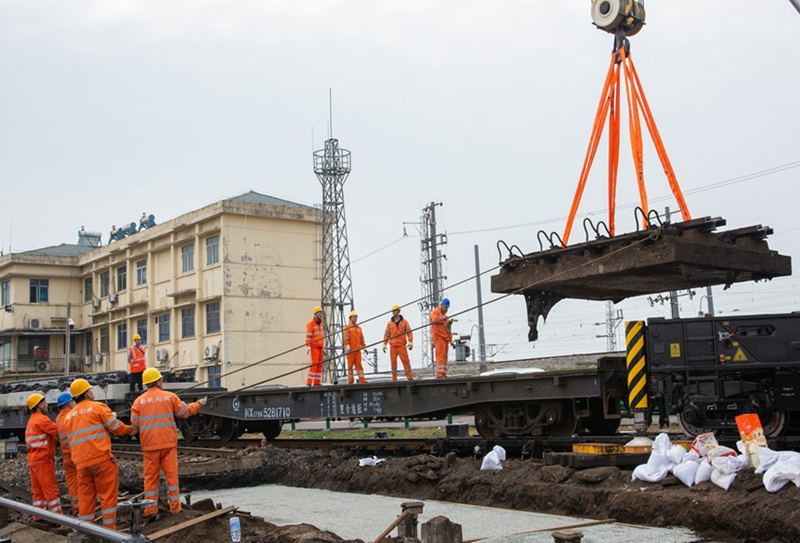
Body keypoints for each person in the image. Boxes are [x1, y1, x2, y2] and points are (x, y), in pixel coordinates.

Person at [131, 368, 207, 517]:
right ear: (158, 381)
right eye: (161, 379)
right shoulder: (169, 397)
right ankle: (175, 508)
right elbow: (184, 412)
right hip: (168, 445)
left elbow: (135, 424)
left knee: (150, 480)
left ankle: (150, 510)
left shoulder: (138, 402)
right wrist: (198, 404)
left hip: (150, 446)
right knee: (171, 477)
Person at [65, 378, 137, 530]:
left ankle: (85, 530)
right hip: (101, 460)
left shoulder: (69, 417)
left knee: (85, 498)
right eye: (90, 390)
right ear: (85, 394)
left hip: (81, 464)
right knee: (108, 496)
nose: (92, 392)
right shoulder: (98, 407)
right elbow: (116, 428)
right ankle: (109, 530)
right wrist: (131, 429)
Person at [25, 393, 62, 518]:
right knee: (50, 489)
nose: (46, 405)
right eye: (44, 403)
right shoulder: (42, 419)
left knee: (38, 491)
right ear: (39, 405)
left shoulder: (31, 421)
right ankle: (58, 517)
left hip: (33, 460)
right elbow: (58, 431)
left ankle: (38, 516)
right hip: (43, 460)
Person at [55, 391, 79, 516]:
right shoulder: (72, 416)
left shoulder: (58, 419)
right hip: (76, 454)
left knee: (73, 484)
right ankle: (86, 509)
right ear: (68, 403)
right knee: (84, 482)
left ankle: (77, 509)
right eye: (73, 401)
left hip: (66, 457)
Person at [383, 304, 415, 381]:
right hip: (393, 346)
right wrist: (384, 343)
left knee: (406, 362)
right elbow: (387, 334)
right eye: (393, 311)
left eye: (395, 311)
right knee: (393, 364)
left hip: (401, 345)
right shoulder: (389, 323)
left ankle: (409, 377)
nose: (393, 312)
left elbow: (409, 332)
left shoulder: (404, 322)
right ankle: (394, 379)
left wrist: (410, 341)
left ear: (398, 311)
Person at [430, 298, 453, 378]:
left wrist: (451, 339)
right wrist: (443, 318)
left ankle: (443, 373)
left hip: (445, 339)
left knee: (444, 356)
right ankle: (439, 374)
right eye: (446, 307)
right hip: (438, 337)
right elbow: (434, 319)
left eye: (447, 308)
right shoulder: (435, 312)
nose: (446, 309)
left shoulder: (445, 317)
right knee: (440, 356)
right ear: (442, 305)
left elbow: (448, 329)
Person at [343, 311, 367, 384]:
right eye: (353, 317)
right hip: (350, 351)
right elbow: (346, 337)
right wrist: (347, 345)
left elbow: (362, 339)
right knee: (350, 366)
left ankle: (362, 380)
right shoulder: (347, 327)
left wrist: (364, 347)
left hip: (357, 350)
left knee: (359, 365)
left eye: (356, 317)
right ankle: (350, 380)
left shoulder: (359, 328)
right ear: (350, 318)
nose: (355, 318)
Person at [305, 306, 324, 386]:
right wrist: (308, 346)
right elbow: (308, 336)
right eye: (319, 313)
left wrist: (323, 348)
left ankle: (317, 382)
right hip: (314, 347)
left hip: (320, 347)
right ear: (315, 314)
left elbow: (321, 337)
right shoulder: (311, 324)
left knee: (319, 365)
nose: (321, 314)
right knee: (315, 364)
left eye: (321, 313)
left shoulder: (321, 324)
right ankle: (309, 382)